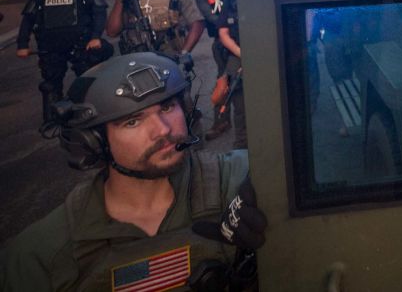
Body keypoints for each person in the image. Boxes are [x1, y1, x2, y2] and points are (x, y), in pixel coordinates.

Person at [0, 52, 266, 291]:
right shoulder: (38, 256)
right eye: (132, 121)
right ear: (94, 143)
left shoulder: (243, 178)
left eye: (167, 107)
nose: (162, 129)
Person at [16, 0, 112, 124]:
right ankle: (53, 119)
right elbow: (28, 19)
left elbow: (99, 13)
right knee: (51, 85)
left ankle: (91, 112)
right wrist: (22, 44)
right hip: (51, 47)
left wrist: (96, 37)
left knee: (87, 80)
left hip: (81, 44)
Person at [197, 0, 242, 144]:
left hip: (240, 37)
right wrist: (220, 23)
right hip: (226, 38)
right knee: (225, 81)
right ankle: (222, 122)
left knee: (234, 87)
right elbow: (204, 0)